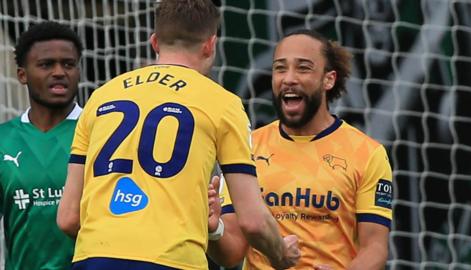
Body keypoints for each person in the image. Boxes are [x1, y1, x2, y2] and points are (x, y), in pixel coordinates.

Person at [57, 0, 299, 269]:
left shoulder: (101, 97)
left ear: (155, 42)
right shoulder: (222, 104)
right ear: (210, 44)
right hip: (173, 261)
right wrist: (281, 255)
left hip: (93, 259)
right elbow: (253, 220)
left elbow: (67, 217)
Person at [207, 29, 393, 270]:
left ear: (329, 79)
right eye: (280, 68)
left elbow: (375, 247)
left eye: (303, 68)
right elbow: (231, 253)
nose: (289, 78)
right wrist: (213, 230)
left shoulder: (368, 153)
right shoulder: (248, 146)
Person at [0, 21, 83, 270]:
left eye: (68, 64)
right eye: (46, 65)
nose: (59, 72)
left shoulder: (101, 133)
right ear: (22, 75)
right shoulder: (4, 139)